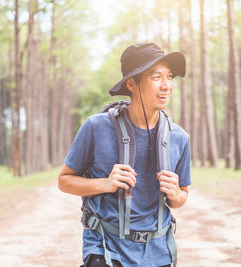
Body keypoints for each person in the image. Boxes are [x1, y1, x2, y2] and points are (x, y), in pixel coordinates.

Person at [58, 43, 191, 267]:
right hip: (105, 247)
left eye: (169, 76)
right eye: (156, 76)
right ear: (132, 83)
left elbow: (181, 197)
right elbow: (64, 181)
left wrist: (175, 194)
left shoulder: (179, 137)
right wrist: (105, 184)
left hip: (158, 252)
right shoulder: (96, 127)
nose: (167, 85)